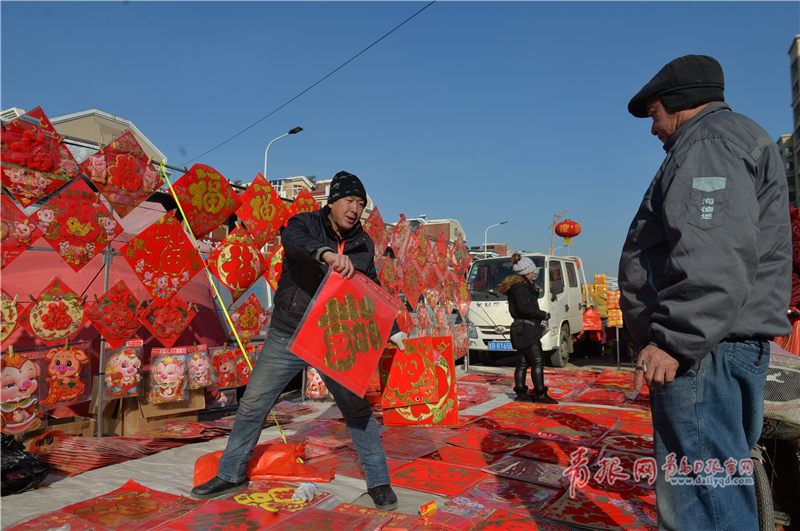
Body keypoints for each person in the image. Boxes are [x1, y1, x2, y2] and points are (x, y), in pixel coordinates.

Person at [619, 55, 791, 530]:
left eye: (654, 115)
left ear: (678, 105)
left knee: (702, 497)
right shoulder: (728, 139)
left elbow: (711, 251)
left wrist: (675, 337)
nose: (653, 129)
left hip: (703, 354)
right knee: (718, 481)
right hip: (715, 346)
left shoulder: (709, 143)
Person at [192, 171, 406, 510]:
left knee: (356, 409)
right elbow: (294, 243)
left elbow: (371, 285)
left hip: (335, 338)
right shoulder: (303, 223)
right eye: (349, 201)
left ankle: (379, 481)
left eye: (361, 204)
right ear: (332, 201)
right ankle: (230, 472)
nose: (355, 209)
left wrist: (392, 327)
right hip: (288, 332)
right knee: (252, 405)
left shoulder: (363, 242)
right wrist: (326, 253)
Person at [497, 254, 555, 403]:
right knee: (537, 362)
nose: (534, 274)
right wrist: (544, 314)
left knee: (522, 363)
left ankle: (521, 393)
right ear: (527, 272)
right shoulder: (521, 288)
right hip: (527, 330)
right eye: (532, 271)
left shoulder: (517, 286)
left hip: (520, 329)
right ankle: (540, 393)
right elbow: (525, 308)